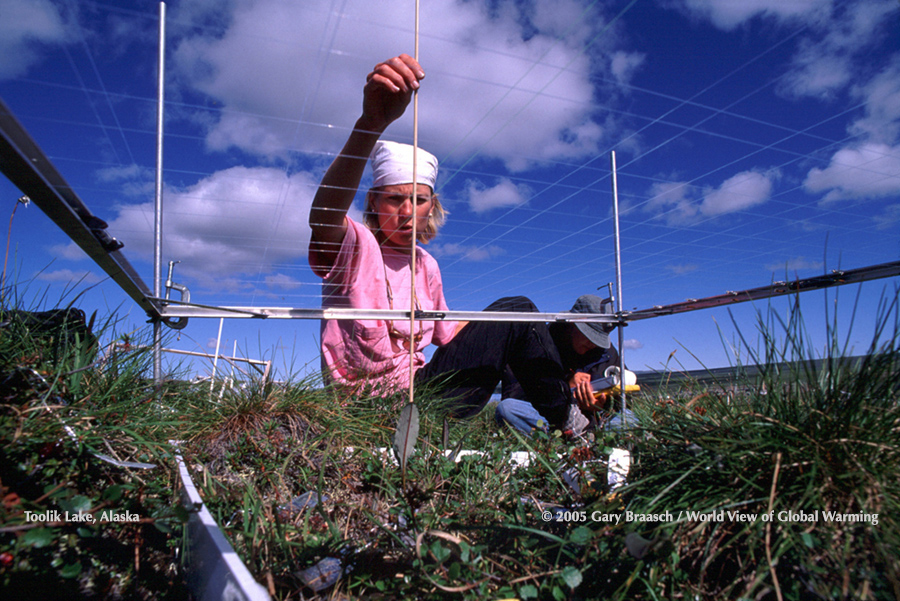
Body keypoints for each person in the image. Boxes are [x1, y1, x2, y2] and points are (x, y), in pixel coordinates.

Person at [307, 54, 596, 435]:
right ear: (374, 203)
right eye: (395, 199)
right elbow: (324, 215)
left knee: (516, 316)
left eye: (419, 200)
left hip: (423, 397)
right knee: (517, 310)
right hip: (365, 409)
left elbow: (452, 332)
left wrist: (518, 338)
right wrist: (370, 124)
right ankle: (577, 428)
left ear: (433, 206)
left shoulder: (425, 265)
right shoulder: (355, 247)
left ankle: (577, 430)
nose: (408, 212)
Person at [495, 294, 638, 436]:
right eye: (589, 335)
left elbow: (626, 398)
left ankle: (588, 440)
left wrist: (603, 405)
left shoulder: (606, 352)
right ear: (572, 324)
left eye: (599, 339)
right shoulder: (538, 343)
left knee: (628, 418)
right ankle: (559, 439)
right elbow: (514, 394)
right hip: (550, 419)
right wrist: (564, 389)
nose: (593, 343)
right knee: (507, 409)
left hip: (594, 421)